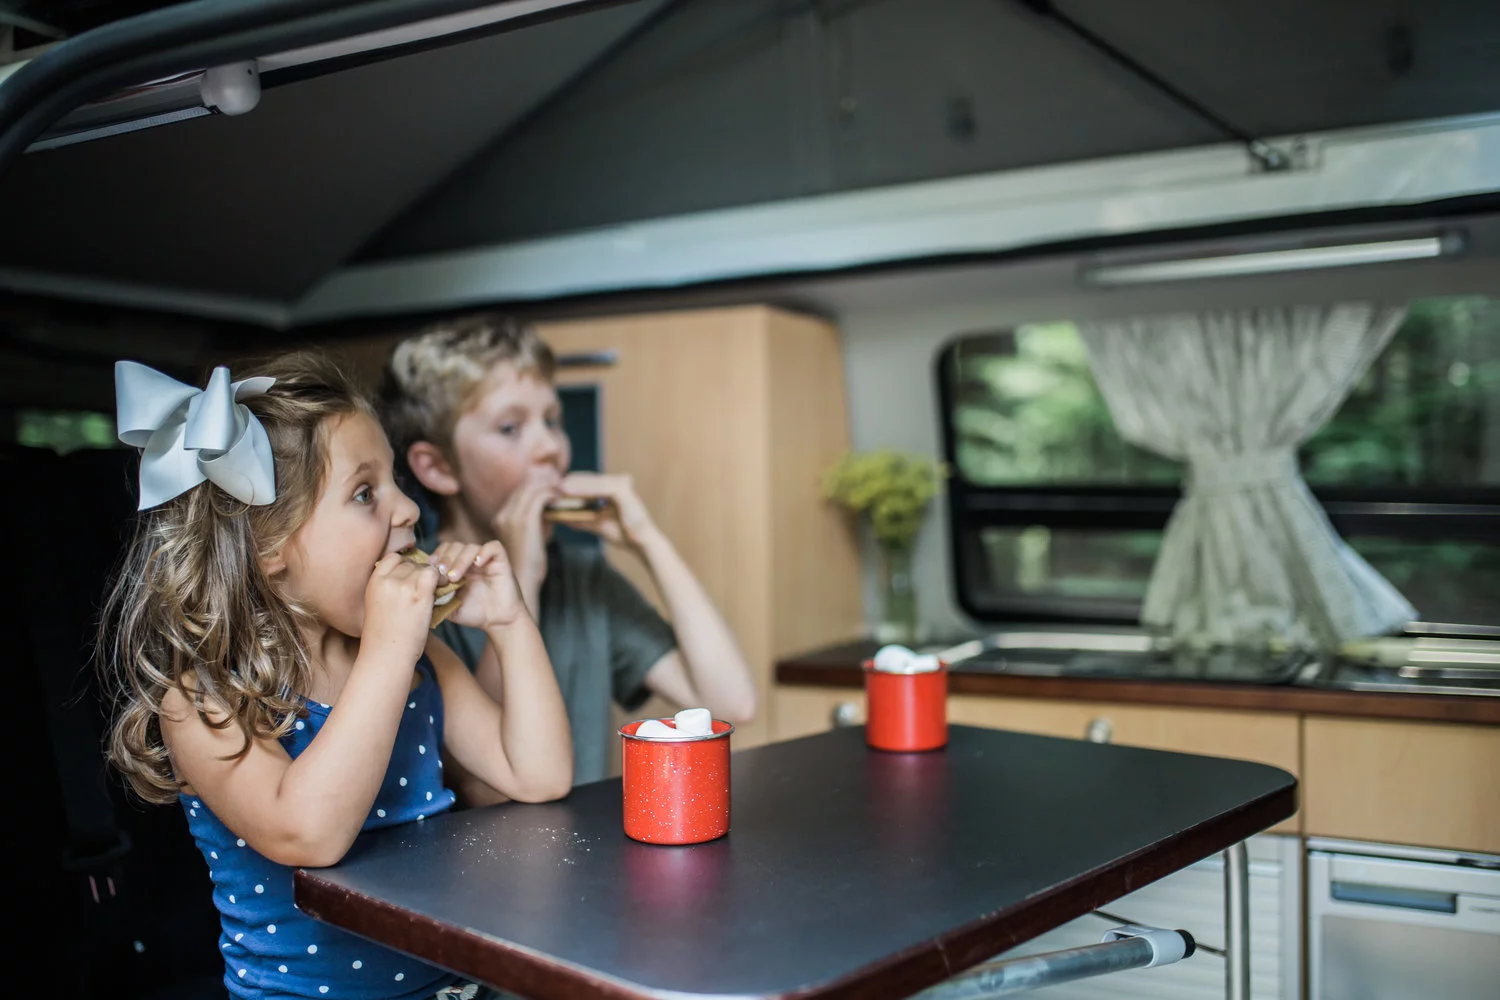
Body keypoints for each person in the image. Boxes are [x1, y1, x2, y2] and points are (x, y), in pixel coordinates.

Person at [98, 352, 572, 1000]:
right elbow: (308, 832)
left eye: (396, 481)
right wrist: (387, 650)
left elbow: (538, 774)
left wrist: (510, 623)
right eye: (365, 492)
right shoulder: (204, 700)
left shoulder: (423, 660)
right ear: (269, 547)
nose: (407, 510)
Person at [376, 314, 756, 794]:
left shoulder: (584, 577)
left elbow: (729, 705)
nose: (550, 448)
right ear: (438, 467)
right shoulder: (417, 591)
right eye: (511, 428)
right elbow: (484, 787)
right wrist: (521, 577)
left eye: (552, 421)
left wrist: (648, 541)